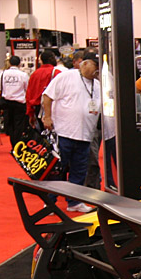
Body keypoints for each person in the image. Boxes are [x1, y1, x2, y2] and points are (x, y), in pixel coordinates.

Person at [40, 51, 101, 213]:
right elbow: (47, 96)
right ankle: (50, 201)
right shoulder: (66, 77)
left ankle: (74, 202)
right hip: (64, 132)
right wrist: (47, 117)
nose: (98, 70)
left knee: (79, 170)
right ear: (85, 63)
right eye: (96, 65)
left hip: (85, 135)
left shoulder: (98, 85)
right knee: (57, 169)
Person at [26, 50, 61, 130]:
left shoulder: (34, 74)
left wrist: (30, 113)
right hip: (53, 107)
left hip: (37, 108)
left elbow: (29, 94)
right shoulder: (57, 73)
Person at [0, 55, 30, 142]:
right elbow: (27, 88)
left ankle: (13, 142)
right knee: (19, 124)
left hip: (6, 102)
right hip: (20, 102)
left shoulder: (2, 74)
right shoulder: (23, 75)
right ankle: (17, 142)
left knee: (10, 123)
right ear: (19, 64)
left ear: (10, 63)